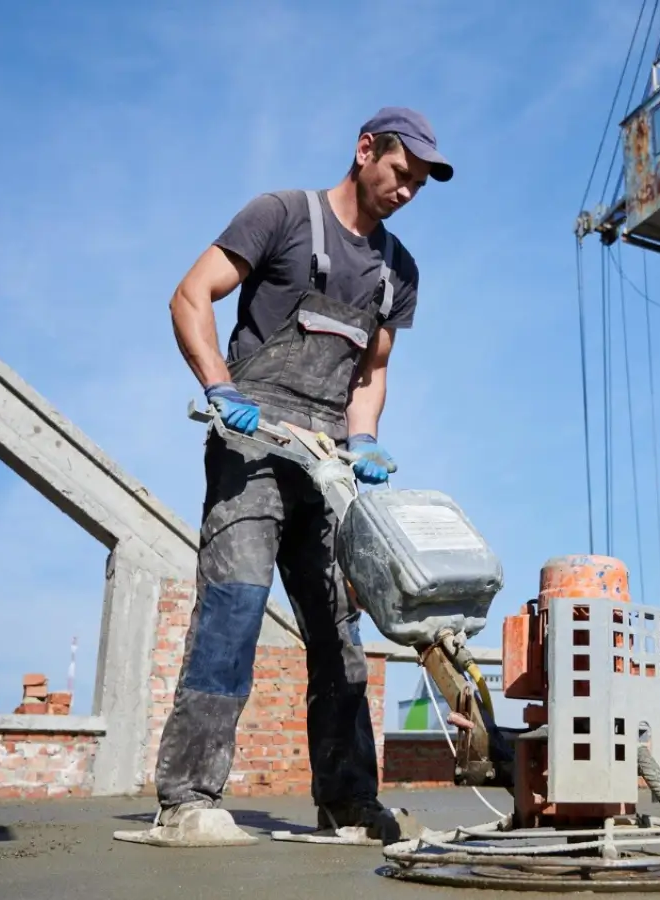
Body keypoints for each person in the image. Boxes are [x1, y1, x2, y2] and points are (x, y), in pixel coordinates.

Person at [156, 107, 450, 844]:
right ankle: (187, 800)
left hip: (326, 469)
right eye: (400, 173)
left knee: (339, 632)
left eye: (419, 183)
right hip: (251, 447)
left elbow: (371, 372)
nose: (407, 191)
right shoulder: (282, 216)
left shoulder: (397, 271)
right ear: (364, 151)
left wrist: (365, 440)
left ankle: (348, 803)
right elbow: (190, 295)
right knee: (236, 606)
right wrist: (221, 389)